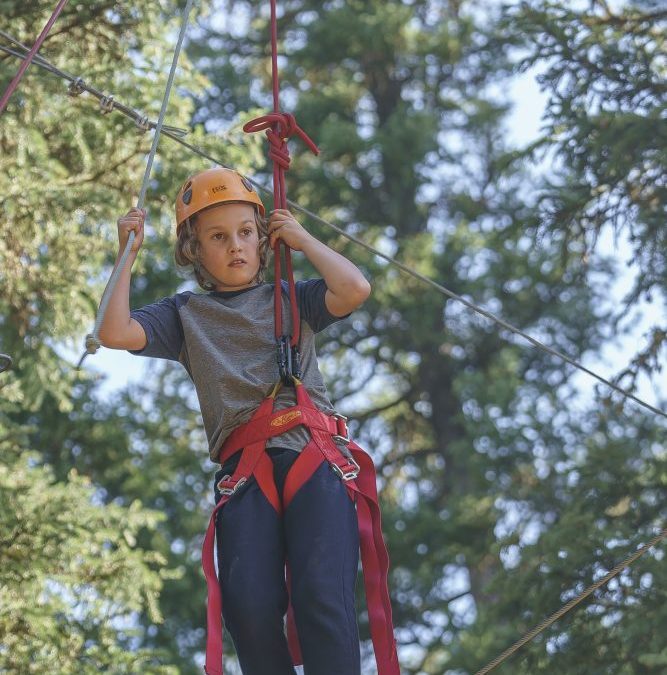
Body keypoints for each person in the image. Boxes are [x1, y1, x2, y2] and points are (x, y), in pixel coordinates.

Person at [98, 166, 372, 675]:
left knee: (320, 594)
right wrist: (126, 256)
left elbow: (354, 288)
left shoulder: (291, 298)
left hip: (312, 455)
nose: (236, 246)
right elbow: (114, 332)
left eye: (246, 232)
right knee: (247, 606)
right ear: (194, 250)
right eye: (218, 237)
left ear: (263, 241)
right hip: (245, 471)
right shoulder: (185, 315)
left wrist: (302, 238)